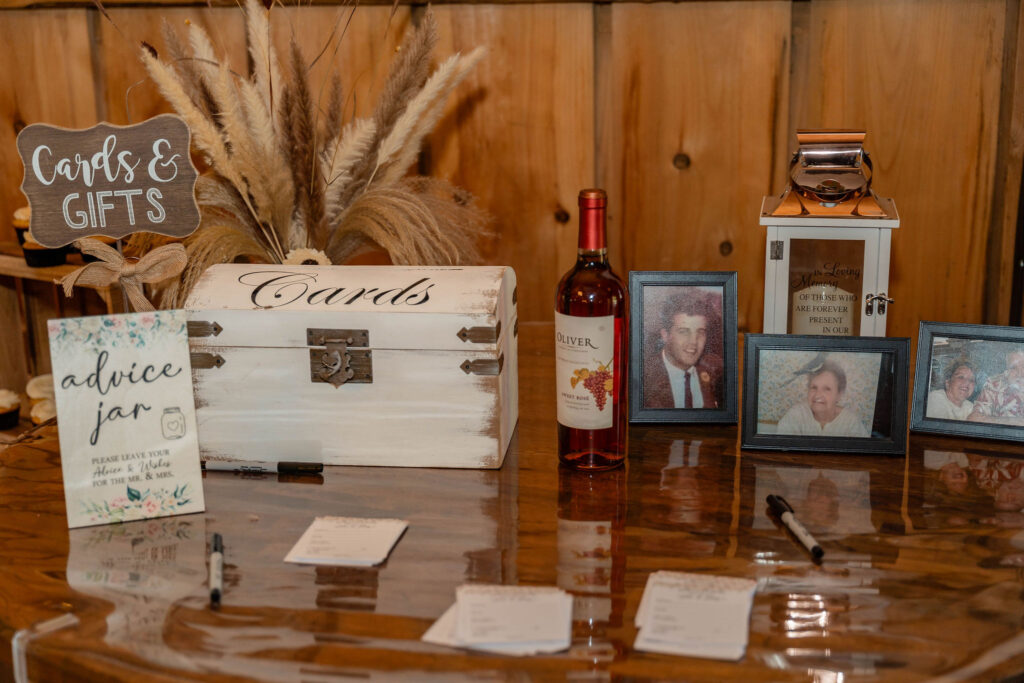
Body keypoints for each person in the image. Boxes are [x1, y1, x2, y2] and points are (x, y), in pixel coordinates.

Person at [642, 290, 723, 409]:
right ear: (665, 335)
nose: (693, 342)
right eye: (684, 332)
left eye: (700, 332)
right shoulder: (644, 377)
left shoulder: (716, 370)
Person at [775, 360, 870, 437]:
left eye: (827, 389)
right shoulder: (795, 415)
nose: (818, 395)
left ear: (839, 394)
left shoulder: (851, 422)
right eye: (814, 387)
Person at [968, 348, 1024, 426]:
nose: (1020, 373)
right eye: (1013, 368)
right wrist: (1016, 422)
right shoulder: (994, 384)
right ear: (1006, 368)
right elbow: (973, 419)